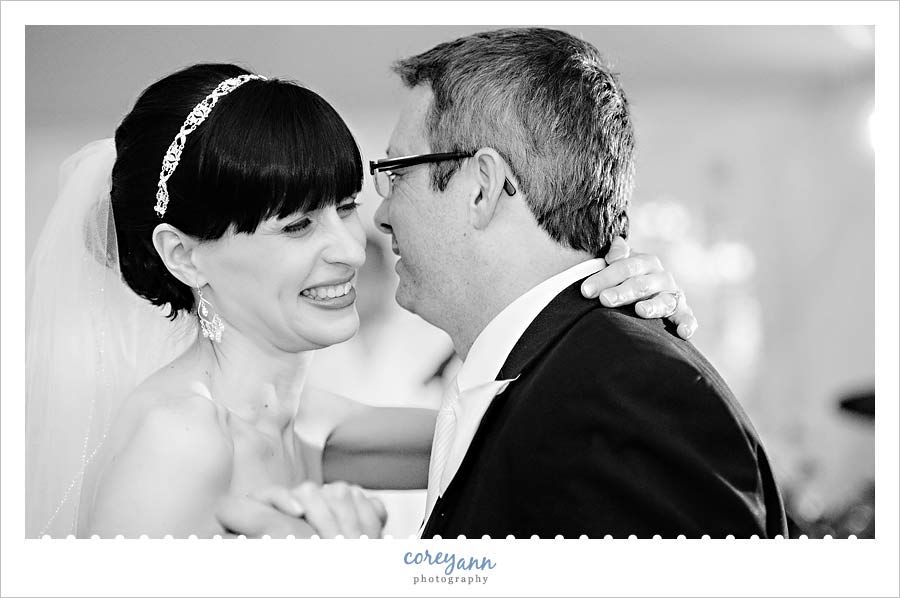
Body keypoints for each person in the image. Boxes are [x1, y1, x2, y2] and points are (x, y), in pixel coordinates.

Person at [25, 62, 697, 539]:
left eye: (345, 206)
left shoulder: (309, 425)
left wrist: (615, 311)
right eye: (296, 226)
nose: (352, 248)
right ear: (183, 254)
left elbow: (536, 435)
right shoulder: (178, 440)